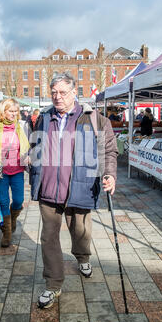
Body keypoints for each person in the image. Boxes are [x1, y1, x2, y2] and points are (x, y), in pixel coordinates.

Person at [29, 73, 118, 309]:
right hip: (48, 189)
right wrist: (32, 160)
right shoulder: (44, 118)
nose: (57, 97)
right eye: (54, 92)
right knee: (49, 238)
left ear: (74, 93)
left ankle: (83, 257)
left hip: (80, 186)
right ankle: (53, 284)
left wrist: (109, 174)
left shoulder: (95, 119)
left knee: (80, 230)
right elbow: (35, 144)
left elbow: (109, 152)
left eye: (62, 92)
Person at [0, 98, 30, 247]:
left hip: (17, 170)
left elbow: (30, 146)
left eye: (16, 111)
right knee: (3, 201)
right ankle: (7, 233)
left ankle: (12, 219)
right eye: (11, 111)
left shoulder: (22, 126)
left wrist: (29, 155)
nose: (14, 114)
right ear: (3, 112)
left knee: (18, 200)